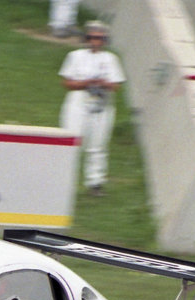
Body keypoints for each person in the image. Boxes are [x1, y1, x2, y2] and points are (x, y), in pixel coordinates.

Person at [58, 20, 125, 196]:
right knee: (72, 140)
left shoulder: (111, 59)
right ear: (87, 38)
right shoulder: (75, 56)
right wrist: (86, 83)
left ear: (104, 40)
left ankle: (95, 182)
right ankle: (65, 179)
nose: (96, 41)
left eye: (100, 38)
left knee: (98, 144)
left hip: (102, 104)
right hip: (79, 101)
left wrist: (103, 83)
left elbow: (116, 85)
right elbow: (67, 82)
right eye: (92, 37)